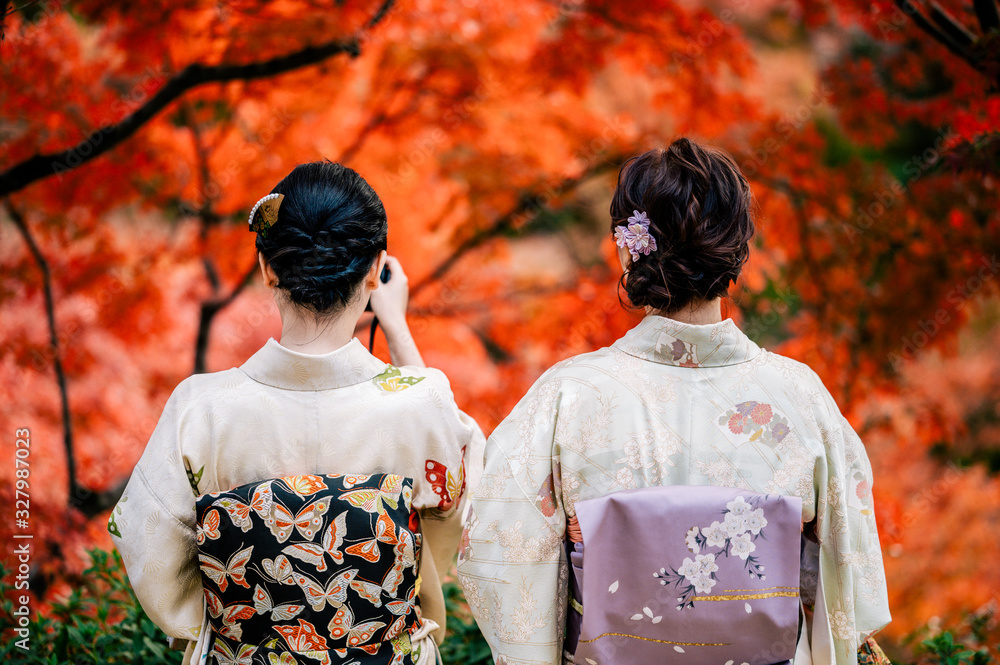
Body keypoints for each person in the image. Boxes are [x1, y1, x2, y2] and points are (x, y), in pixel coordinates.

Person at [457, 138, 891, 665]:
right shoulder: (801, 397)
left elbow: (503, 560)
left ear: (626, 246)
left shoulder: (568, 396)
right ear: (739, 250)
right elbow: (850, 579)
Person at [110, 161, 485, 665]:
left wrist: (233, 624)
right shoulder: (422, 402)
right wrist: (396, 326)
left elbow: (149, 545)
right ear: (376, 270)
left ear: (268, 268)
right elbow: (462, 512)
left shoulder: (200, 408)